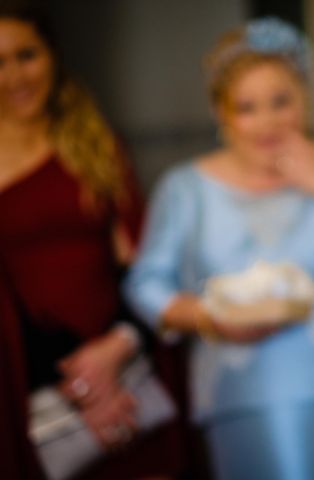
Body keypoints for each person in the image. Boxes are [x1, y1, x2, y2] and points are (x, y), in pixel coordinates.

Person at [124, 16, 314, 480]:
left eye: (281, 101)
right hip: (245, 397)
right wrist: (210, 319)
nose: (267, 122)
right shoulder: (185, 188)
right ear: (221, 113)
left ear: (305, 100)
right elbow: (146, 285)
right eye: (247, 107)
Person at [0, 4, 186, 479]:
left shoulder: (95, 142)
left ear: (52, 55)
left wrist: (118, 348)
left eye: (27, 55)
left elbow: (142, 265)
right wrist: (80, 386)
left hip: (129, 374)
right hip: (30, 396)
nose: (16, 75)